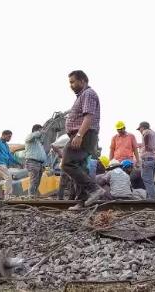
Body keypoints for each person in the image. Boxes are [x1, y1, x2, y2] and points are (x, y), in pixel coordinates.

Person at [63, 70, 105, 209]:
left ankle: (94, 189)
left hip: (84, 134)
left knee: (67, 164)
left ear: (82, 81)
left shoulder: (88, 93)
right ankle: (82, 202)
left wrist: (79, 135)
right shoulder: (82, 95)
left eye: (73, 82)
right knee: (80, 167)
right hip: (83, 134)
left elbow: (88, 117)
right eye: (70, 82)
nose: (71, 85)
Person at [137, 121, 155, 200]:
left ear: (142, 127)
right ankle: (150, 198)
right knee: (150, 182)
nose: (140, 131)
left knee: (147, 181)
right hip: (154, 160)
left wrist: (146, 148)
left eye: (139, 129)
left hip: (147, 160)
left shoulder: (146, 132)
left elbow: (146, 137)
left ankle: (152, 200)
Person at [25, 124, 48, 198]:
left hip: (39, 164)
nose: (42, 132)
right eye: (41, 130)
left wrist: (44, 164)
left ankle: (34, 196)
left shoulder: (38, 142)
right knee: (33, 181)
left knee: (37, 182)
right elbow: (33, 136)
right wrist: (40, 132)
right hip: (32, 162)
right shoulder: (30, 137)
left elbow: (42, 154)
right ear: (37, 130)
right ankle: (31, 197)